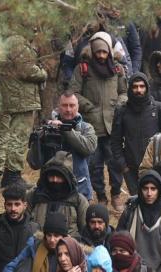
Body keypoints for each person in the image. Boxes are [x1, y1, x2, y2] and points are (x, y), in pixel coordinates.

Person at [71, 32, 128, 207]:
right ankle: (101, 196)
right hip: (92, 126)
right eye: (98, 52)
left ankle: (116, 194)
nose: (102, 56)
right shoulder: (83, 69)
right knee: (94, 165)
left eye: (105, 53)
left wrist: (118, 105)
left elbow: (124, 92)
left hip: (113, 125)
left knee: (115, 164)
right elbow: (74, 93)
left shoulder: (117, 69)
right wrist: (87, 106)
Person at [0, 36, 47, 190]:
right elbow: (26, 69)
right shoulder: (17, 40)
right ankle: (11, 176)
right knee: (18, 137)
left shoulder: (4, 36)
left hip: (8, 95)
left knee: (0, 137)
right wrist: (43, 73)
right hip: (20, 97)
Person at [111, 74, 161, 195]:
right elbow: (115, 141)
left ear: (147, 88)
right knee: (137, 200)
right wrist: (123, 166)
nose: (139, 90)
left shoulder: (158, 109)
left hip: (156, 167)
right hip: (131, 169)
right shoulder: (122, 111)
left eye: (142, 86)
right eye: (135, 87)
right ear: (130, 89)